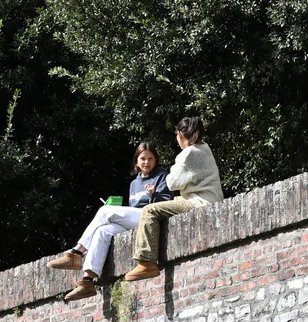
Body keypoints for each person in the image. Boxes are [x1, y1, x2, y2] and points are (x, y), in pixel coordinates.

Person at [47, 141, 173, 301]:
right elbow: (132, 208)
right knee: (103, 230)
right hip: (137, 223)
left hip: (151, 219)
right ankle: (87, 281)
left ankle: (76, 252)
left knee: (105, 211)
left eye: (150, 159)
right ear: (137, 161)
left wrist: (155, 193)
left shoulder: (161, 176)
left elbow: (168, 202)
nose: (146, 162)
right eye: (143, 159)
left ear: (156, 161)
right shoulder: (134, 184)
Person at [125, 115, 223, 282]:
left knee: (150, 210)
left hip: (198, 202)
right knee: (165, 204)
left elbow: (172, 183)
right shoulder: (205, 148)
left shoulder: (188, 154)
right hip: (208, 199)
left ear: (179, 134)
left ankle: (147, 262)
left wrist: (176, 165)